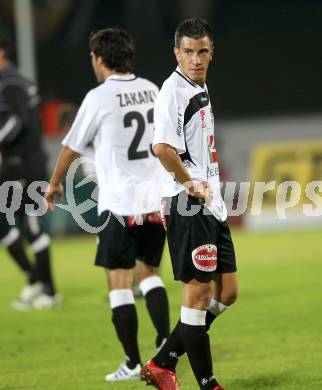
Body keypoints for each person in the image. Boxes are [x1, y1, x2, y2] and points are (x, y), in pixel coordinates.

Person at [45, 27, 170, 382]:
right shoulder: (151, 89)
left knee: (118, 282)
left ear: (99, 58)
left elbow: (70, 147)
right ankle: (164, 344)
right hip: (152, 200)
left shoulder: (99, 97)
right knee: (150, 274)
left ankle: (132, 362)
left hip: (119, 204)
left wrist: (53, 185)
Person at [140, 18, 238, 390]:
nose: (195, 59)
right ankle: (208, 384)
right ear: (176, 52)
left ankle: (164, 360)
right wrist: (189, 183)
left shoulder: (199, 84)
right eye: (188, 52)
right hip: (188, 204)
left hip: (209, 204)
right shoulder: (172, 92)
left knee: (227, 293)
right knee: (197, 296)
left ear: (212, 53)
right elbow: (162, 147)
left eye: (201, 51)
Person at [0, 34, 60, 310]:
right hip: (16, 166)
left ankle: (48, 290)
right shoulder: (15, 81)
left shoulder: (10, 82)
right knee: (8, 224)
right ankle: (35, 279)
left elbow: (18, 122)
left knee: (32, 227)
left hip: (27, 165)